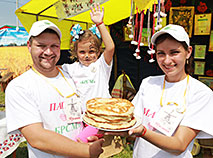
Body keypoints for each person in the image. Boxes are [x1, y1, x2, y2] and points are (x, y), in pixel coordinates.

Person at [106, 24, 213, 158]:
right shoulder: (149, 83)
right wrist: (113, 126)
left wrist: (143, 132)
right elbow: (133, 121)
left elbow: (179, 145)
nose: (167, 60)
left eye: (174, 52)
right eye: (161, 53)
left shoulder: (200, 93)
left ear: (189, 52)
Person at [5, 19, 104, 158]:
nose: (48, 51)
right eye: (41, 45)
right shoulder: (20, 86)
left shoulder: (71, 75)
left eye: (54, 46)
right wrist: (85, 151)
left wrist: (91, 137)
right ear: (29, 46)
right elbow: (36, 138)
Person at [62, 3, 115, 113]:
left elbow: (110, 48)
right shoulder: (70, 68)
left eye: (91, 51)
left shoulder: (101, 65)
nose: (87, 55)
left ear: (99, 51)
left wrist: (100, 23)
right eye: (82, 52)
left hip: (103, 114)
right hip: (82, 116)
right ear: (75, 52)